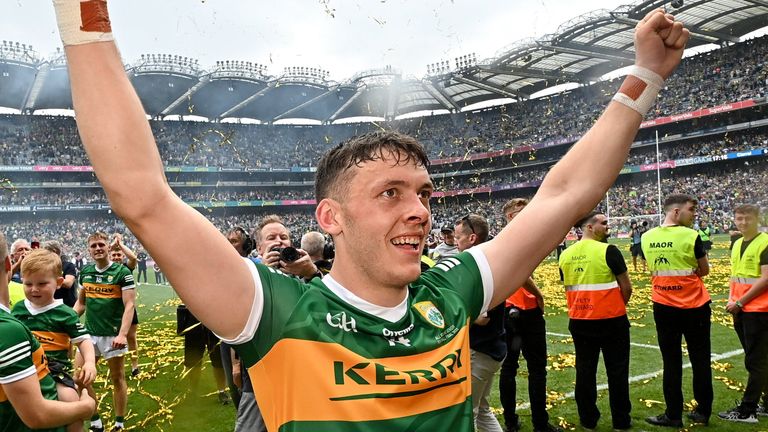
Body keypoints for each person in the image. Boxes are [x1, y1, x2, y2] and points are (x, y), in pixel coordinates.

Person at [56, 2, 688, 429]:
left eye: (424, 193)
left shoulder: (452, 290)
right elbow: (141, 193)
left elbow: (563, 196)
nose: (418, 211)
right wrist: (82, 12)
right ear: (330, 217)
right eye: (391, 193)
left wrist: (643, 76)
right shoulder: (273, 311)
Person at [0, 232, 96, 431]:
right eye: (28, 284)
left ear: (58, 283)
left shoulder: (65, 313)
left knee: (70, 399)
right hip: (26, 367)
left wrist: (89, 362)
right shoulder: (17, 309)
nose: (34, 289)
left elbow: (84, 340)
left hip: (55, 370)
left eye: (42, 284)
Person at [641, 194, 712, 427]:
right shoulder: (692, 235)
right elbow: (704, 270)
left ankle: (673, 415)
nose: (694, 215)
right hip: (695, 306)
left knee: (671, 362)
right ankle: (703, 412)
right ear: (675, 212)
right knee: (700, 359)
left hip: (664, 306)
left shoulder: (647, 237)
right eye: (691, 210)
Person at [559, 212, 632, 430]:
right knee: (617, 372)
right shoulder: (608, 250)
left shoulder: (565, 254)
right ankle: (621, 421)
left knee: (585, 372)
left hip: (580, 321)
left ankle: (588, 419)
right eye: (603, 223)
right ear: (589, 227)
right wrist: (615, 306)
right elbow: (626, 287)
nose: (607, 226)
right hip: (612, 321)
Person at [498, 198, 561, 432]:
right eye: (522, 211)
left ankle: (512, 422)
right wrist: (540, 295)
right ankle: (538, 423)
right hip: (523, 312)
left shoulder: (506, 239)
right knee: (533, 369)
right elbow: (521, 273)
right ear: (511, 217)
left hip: (509, 312)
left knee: (512, 368)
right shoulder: (515, 238)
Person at [74, 232, 136, 432]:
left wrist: (122, 334)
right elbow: (81, 303)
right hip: (89, 335)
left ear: (109, 247)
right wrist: (67, 321)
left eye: (101, 244)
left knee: (117, 378)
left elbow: (129, 306)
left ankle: (119, 422)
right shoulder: (85, 272)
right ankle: (95, 420)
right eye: (94, 246)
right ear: (89, 250)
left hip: (113, 335)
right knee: (79, 377)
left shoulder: (122, 273)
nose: (98, 248)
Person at [454, 214, 505, 432]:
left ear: (472, 238)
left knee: (469, 413)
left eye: (458, 237)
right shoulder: (489, 261)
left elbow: (482, 318)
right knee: (482, 409)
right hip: (491, 348)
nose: (456, 241)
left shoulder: (477, 268)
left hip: (481, 349)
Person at [720, 204, 768, 423]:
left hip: (759, 310)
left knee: (755, 361)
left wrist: (739, 301)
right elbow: (736, 275)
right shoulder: (738, 242)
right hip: (742, 309)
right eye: (739, 218)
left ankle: (747, 411)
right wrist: (732, 300)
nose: (743, 222)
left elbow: (766, 278)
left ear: (757, 219)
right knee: (758, 358)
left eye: (748, 219)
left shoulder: (765, 242)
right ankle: (766, 404)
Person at [109, 246, 141, 377]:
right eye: (114, 255)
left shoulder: (126, 268)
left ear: (123, 256)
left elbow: (133, 258)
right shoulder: (105, 269)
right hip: (111, 310)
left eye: (119, 255)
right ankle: (115, 366)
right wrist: (111, 246)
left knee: (131, 338)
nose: (116, 257)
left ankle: (135, 365)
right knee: (111, 338)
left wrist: (119, 244)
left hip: (128, 308)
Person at [43, 241, 79, 308]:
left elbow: (68, 283)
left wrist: (48, 278)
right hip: (50, 306)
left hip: (67, 306)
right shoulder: (45, 266)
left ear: (54, 251)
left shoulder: (68, 266)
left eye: (46, 253)